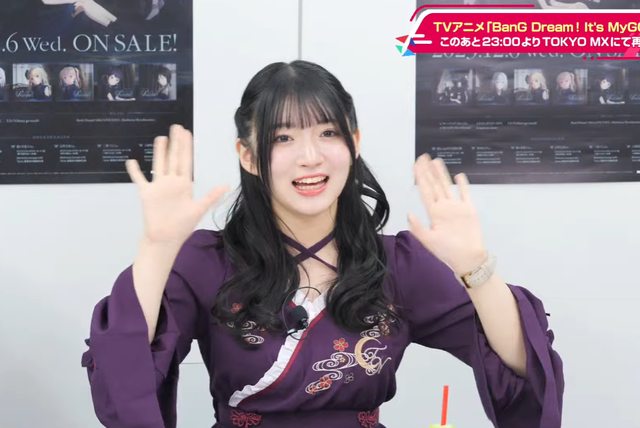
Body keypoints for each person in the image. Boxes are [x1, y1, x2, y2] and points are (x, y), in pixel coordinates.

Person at [81, 60, 563, 428]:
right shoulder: (207, 261)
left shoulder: (396, 263)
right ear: (247, 155)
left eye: (328, 133)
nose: (310, 157)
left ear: (353, 142)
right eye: (283, 138)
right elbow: (123, 375)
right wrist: (157, 247)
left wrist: (476, 267)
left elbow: (524, 366)